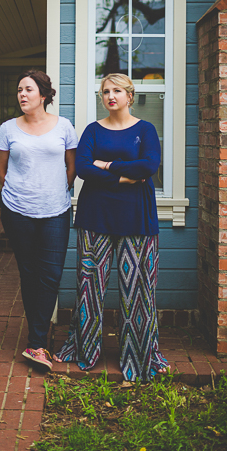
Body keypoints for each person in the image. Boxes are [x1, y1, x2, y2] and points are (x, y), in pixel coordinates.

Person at [55, 74, 169, 380]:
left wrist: (105, 165)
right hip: (96, 217)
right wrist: (123, 175)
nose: (110, 95)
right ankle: (86, 350)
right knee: (90, 287)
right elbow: (82, 169)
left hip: (137, 218)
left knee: (138, 290)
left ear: (129, 95)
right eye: (105, 91)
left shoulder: (145, 129)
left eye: (117, 90)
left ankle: (139, 354)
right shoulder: (92, 130)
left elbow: (148, 166)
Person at [0, 70, 77, 371]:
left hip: (56, 210)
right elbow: (1, 171)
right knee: (29, 274)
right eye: (19, 90)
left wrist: (53, 190)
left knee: (51, 275)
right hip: (18, 211)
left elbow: (71, 167)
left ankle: (38, 339)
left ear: (44, 95)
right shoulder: (7, 129)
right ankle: (38, 343)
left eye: (28, 89)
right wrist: (20, 190)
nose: (22, 95)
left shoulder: (64, 126)